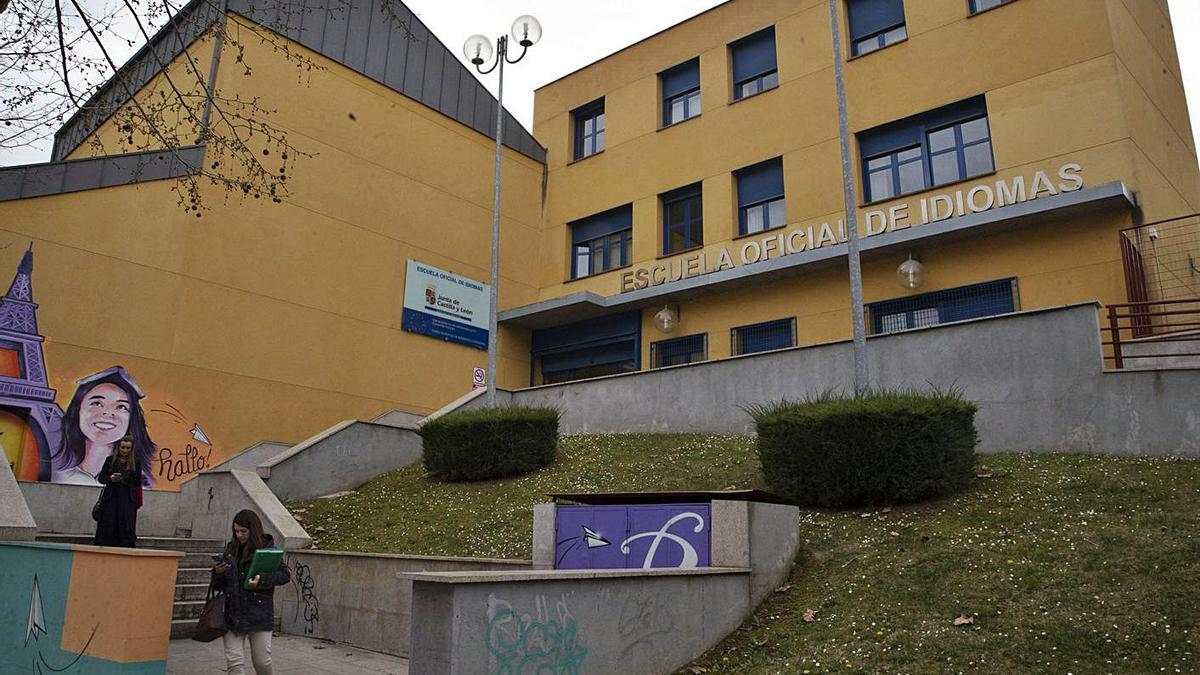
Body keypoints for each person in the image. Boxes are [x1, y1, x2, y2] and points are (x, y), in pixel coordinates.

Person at [212, 510, 290, 675]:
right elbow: (219, 586)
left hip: (258, 613)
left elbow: (284, 575)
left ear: (252, 530)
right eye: (236, 531)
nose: (239, 535)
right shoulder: (230, 550)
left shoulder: (267, 549)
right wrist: (217, 573)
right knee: (235, 664)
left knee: (262, 662)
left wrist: (261, 579)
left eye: (243, 531)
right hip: (233, 615)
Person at [51, 366, 156, 488]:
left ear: (132, 419)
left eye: (121, 407)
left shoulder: (137, 483)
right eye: (97, 403)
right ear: (77, 410)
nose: (108, 413)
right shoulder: (60, 478)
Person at [93, 436, 141, 547]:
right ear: (118, 447)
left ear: (131, 449)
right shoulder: (110, 460)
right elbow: (101, 478)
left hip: (127, 499)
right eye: (123, 447)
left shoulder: (136, 463)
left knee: (125, 525)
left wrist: (125, 479)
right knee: (108, 524)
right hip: (111, 498)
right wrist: (111, 478)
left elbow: (137, 482)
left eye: (128, 448)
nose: (125, 450)